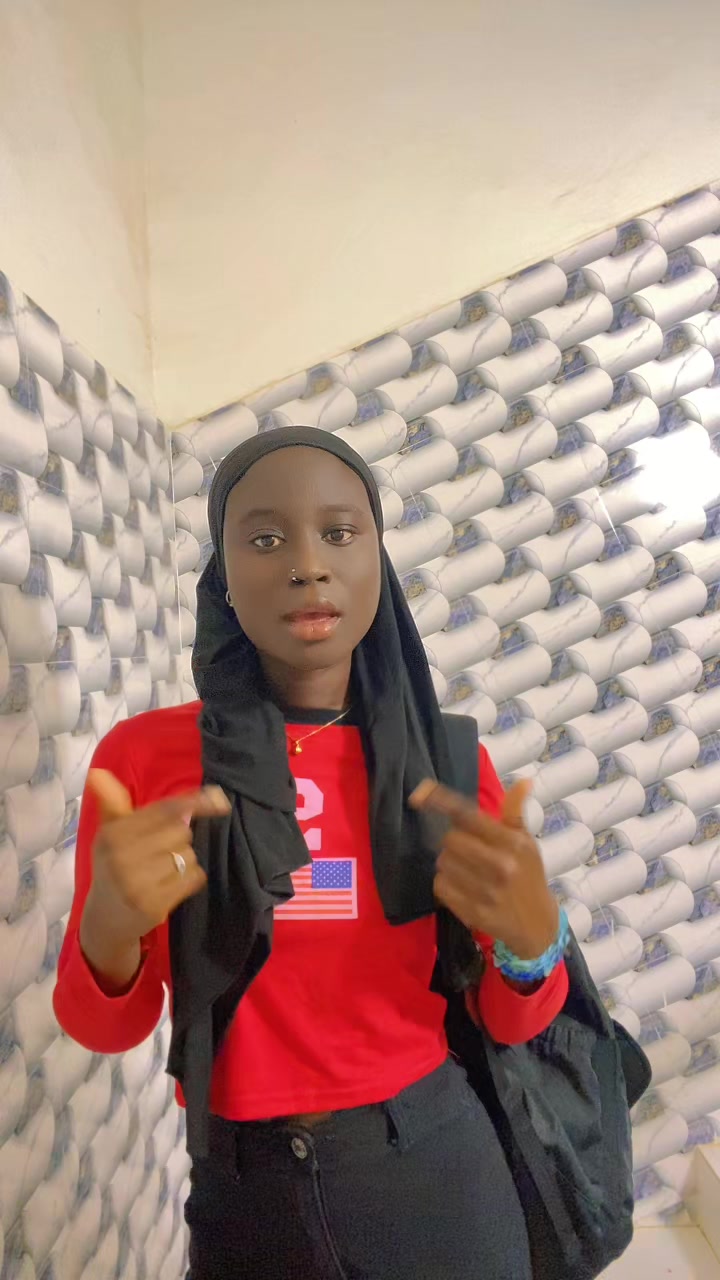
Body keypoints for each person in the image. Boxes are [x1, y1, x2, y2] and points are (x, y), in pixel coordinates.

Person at [55, 426, 570, 1280]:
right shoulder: (145, 762)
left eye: (338, 532)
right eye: (265, 539)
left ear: (377, 561)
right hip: (243, 1191)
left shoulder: (444, 764)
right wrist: (108, 931)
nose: (306, 565)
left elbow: (515, 1021)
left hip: (433, 1170)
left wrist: (532, 942)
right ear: (223, 578)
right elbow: (105, 1027)